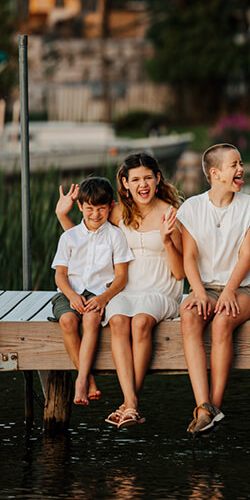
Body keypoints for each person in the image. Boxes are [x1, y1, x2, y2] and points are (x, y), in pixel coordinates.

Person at [55, 153, 185, 428]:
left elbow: (179, 272)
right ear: (125, 183)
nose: (143, 185)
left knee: (139, 323)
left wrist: (167, 240)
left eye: (148, 177)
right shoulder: (116, 213)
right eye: (135, 179)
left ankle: (129, 403)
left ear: (158, 178)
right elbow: (84, 241)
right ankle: (130, 405)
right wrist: (61, 215)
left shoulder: (169, 214)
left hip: (160, 289)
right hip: (122, 289)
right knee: (116, 321)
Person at [179, 143, 250, 435]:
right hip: (205, 287)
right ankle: (202, 404)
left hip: (242, 287)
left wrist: (229, 291)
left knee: (221, 322)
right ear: (215, 173)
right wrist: (199, 292)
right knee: (189, 315)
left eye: (241, 163)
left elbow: (245, 257)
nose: (240, 169)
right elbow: (188, 256)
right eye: (234, 165)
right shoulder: (191, 207)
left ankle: (212, 408)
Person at [49, 176, 133, 408]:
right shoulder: (69, 236)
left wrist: (104, 298)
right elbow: (60, 275)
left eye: (101, 209)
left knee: (91, 319)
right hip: (70, 293)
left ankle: (81, 381)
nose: (95, 214)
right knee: (67, 321)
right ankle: (87, 378)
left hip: (98, 294)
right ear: (80, 207)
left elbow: (121, 277)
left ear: (110, 207)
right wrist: (72, 296)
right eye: (89, 209)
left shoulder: (116, 236)